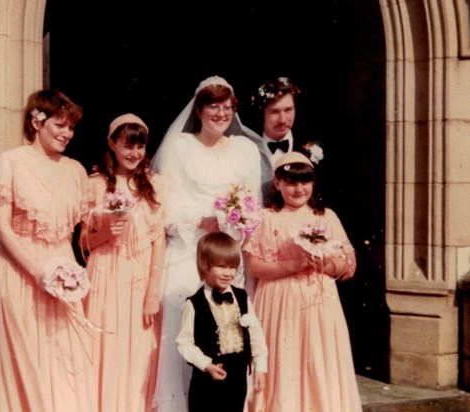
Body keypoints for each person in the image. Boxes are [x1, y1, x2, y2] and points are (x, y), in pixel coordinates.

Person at [151, 75, 262, 411]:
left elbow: (252, 202)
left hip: (228, 251)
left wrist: (236, 220)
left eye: (227, 107)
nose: (221, 113)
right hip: (190, 249)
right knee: (187, 323)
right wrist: (204, 221)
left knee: (228, 328)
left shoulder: (245, 149)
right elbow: (166, 205)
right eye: (213, 106)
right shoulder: (180, 147)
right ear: (198, 110)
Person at [0, 89, 95, 411]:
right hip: (22, 273)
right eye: (60, 125)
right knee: (31, 364)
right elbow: (1, 228)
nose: (67, 134)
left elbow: (83, 233)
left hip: (64, 274)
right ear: (37, 121)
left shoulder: (75, 170)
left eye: (71, 128)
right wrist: (39, 273)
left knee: (68, 362)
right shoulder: (11, 162)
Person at [242, 151, 362, 412]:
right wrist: (293, 265)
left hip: (319, 304)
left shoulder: (325, 216)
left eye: (304, 182)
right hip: (278, 301)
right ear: (277, 184)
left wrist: (326, 264)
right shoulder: (266, 218)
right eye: (291, 182)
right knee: (284, 361)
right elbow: (254, 266)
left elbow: (349, 264)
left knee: (318, 359)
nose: (298, 189)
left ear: (313, 183)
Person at [80, 113, 166, 411]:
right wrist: (104, 232)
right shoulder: (94, 185)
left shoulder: (154, 186)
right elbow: (82, 243)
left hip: (140, 279)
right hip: (104, 275)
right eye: (127, 145)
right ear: (111, 143)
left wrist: (153, 293)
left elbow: (158, 241)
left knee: (140, 353)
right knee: (106, 350)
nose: (134, 153)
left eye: (140, 146)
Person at [176, 232, 267, 412]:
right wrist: (206, 364)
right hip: (207, 381)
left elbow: (256, 334)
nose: (228, 273)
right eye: (221, 266)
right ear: (204, 266)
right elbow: (184, 343)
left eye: (233, 267)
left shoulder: (242, 297)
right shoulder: (194, 304)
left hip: (238, 378)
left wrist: (260, 367)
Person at [246, 76, 323, 202]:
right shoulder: (248, 150)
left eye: (288, 110)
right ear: (261, 113)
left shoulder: (313, 148)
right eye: (274, 112)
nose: (282, 119)